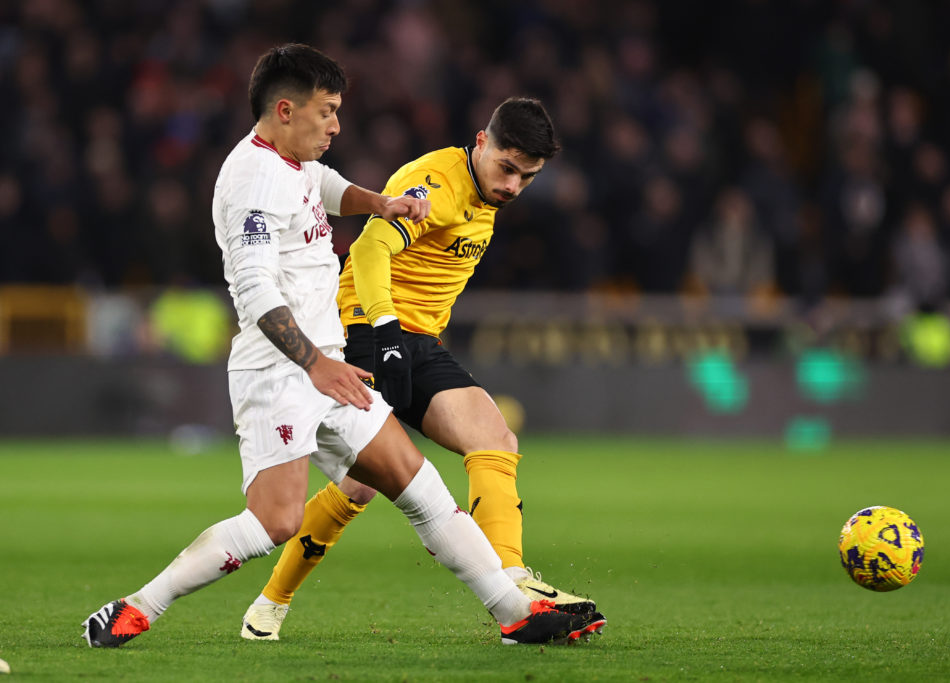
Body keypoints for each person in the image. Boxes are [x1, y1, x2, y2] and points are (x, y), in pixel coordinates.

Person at [81, 44, 602, 649]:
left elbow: (325, 186)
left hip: (327, 362)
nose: (336, 124)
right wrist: (318, 364)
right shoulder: (249, 182)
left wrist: (378, 202)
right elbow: (252, 291)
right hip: (280, 371)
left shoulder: (296, 161)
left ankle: (515, 612)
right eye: (326, 111)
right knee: (276, 521)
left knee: (418, 483)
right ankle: (140, 606)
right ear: (284, 110)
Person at [239, 96, 606, 641]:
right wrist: (384, 329)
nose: (512, 186)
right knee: (372, 483)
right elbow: (368, 250)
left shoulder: (488, 195)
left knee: (477, 444)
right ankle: (273, 601)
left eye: (527, 177)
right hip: (362, 331)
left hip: (417, 340)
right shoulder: (435, 184)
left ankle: (512, 582)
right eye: (507, 168)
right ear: (482, 142)